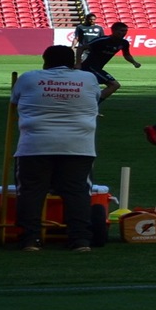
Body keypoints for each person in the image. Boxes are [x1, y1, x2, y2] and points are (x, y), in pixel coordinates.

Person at [11, 45, 101, 252]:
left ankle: (30, 240)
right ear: (72, 62)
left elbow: (14, 102)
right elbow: (95, 99)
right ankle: (80, 239)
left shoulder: (28, 78)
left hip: (35, 145)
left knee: (31, 191)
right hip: (78, 145)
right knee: (77, 191)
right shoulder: (88, 79)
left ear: (45, 61)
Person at [79, 22, 142, 101]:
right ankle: (92, 106)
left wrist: (134, 62)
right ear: (113, 30)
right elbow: (81, 48)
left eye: (125, 31)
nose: (124, 33)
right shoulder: (102, 40)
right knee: (114, 85)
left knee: (88, 89)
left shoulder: (124, 43)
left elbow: (126, 55)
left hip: (98, 68)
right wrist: (78, 63)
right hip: (90, 67)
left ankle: (90, 107)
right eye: (121, 31)